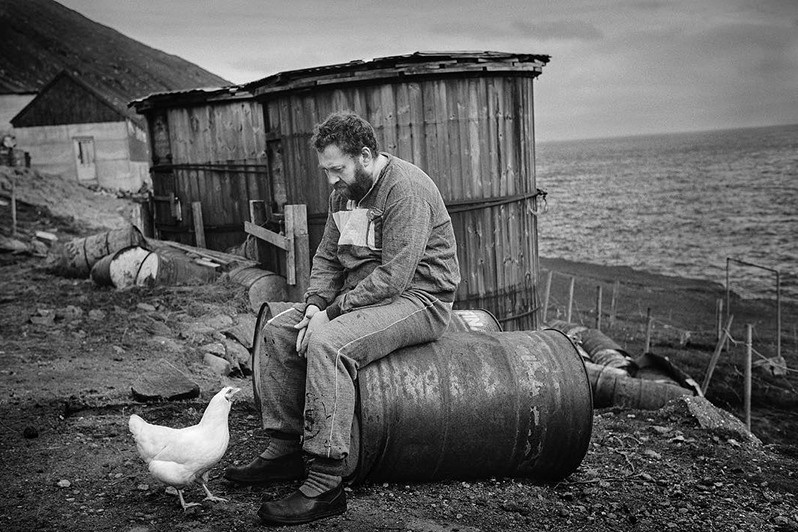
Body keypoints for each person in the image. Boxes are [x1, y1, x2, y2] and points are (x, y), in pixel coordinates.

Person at [224, 111, 461, 526]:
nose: (331, 180)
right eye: (327, 170)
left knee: (329, 343)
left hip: (418, 298)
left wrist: (331, 316)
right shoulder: (344, 194)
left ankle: (325, 481)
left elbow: (394, 277)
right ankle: (284, 449)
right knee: (280, 330)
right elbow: (328, 256)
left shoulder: (404, 191)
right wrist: (315, 303)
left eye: (337, 169)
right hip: (361, 294)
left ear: (365, 156)